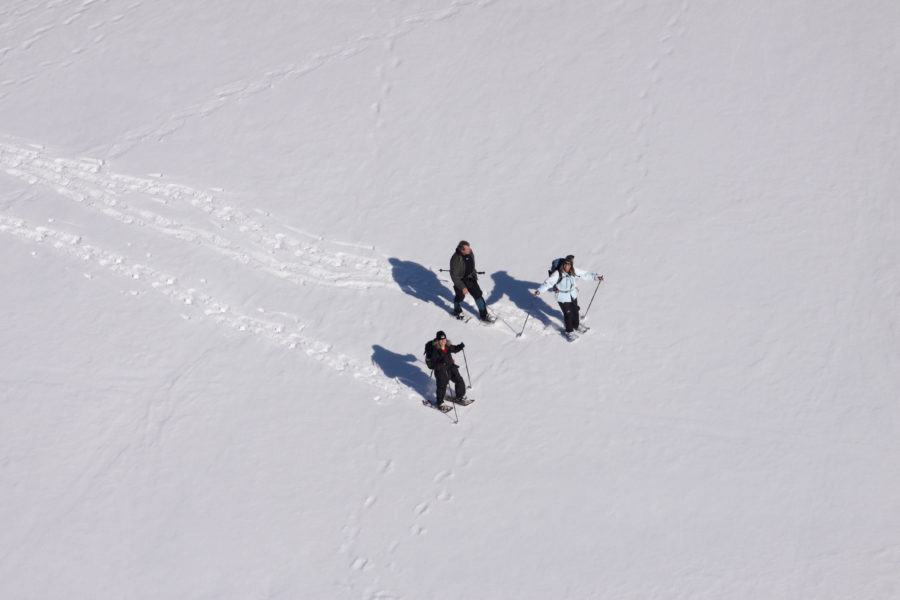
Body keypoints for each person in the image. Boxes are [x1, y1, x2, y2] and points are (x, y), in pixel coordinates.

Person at [534, 256, 603, 341]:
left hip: (573, 295)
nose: (567, 266)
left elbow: (585, 274)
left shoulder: (573, 270)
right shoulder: (557, 274)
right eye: (566, 264)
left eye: (569, 264)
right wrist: (539, 291)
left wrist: (596, 277)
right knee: (568, 314)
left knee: (575, 311)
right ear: (563, 264)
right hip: (562, 297)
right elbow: (547, 283)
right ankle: (569, 332)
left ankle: (576, 325)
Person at [449, 240, 493, 322]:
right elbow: (454, 276)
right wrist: (462, 287)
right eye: (467, 249)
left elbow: (471, 264)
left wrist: (473, 272)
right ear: (462, 250)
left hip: (470, 278)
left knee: (478, 295)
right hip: (460, 280)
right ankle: (457, 311)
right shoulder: (455, 259)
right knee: (460, 296)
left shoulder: (470, 253)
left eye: (469, 248)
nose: (469, 250)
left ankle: (484, 316)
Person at [428, 331, 466, 407]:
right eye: (441, 340)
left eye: (444, 339)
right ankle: (440, 403)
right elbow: (433, 365)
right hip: (441, 371)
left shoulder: (447, 346)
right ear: (438, 340)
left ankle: (460, 396)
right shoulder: (435, 350)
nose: (443, 341)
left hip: (451, 368)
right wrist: (441, 363)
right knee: (442, 386)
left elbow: (454, 348)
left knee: (459, 380)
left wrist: (460, 346)